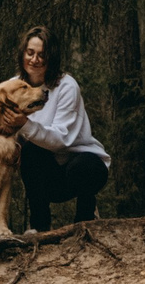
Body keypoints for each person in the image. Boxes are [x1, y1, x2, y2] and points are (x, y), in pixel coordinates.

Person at [11, 24, 110, 229]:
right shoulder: (13, 86)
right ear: (23, 54)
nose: (35, 60)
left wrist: (24, 124)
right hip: (48, 175)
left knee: (82, 167)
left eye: (42, 55)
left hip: (82, 167)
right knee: (30, 152)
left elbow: (61, 140)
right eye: (30, 53)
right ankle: (39, 229)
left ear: (51, 57)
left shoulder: (66, 86)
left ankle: (85, 223)